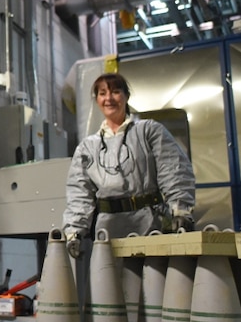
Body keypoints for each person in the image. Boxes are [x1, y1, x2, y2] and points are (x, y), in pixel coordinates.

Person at [63, 72, 196, 257]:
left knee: (152, 281)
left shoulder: (148, 131)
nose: (108, 98)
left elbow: (174, 168)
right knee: (111, 283)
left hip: (150, 224)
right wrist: (74, 231)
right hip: (107, 230)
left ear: (126, 96)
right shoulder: (87, 147)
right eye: (102, 93)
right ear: (97, 100)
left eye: (115, 91)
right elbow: (79, 192)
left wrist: (180, 210)